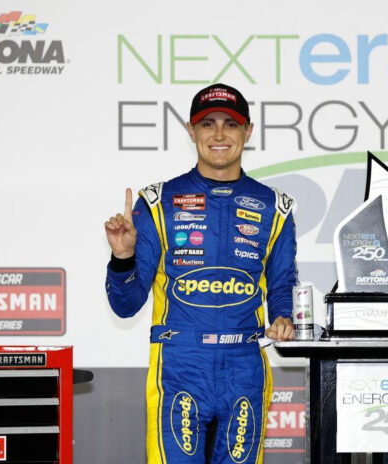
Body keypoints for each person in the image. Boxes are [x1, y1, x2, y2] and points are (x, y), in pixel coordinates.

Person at [104, 83, 297, 463]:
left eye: (231, 124)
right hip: (180, 365)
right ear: (191, 132)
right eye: (208, 124)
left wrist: (284, 318)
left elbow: (282, 286)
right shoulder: (157, 203)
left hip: (245, 365)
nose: (219, 134)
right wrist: (123, 257)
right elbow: (125, 306)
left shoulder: (274, 207)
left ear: (248, 132)